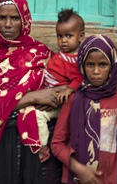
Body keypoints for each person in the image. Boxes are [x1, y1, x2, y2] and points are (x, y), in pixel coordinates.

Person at [0, 0, 65, 184]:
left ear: (24, 19)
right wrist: (33, 98)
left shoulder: (41, 53)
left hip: (39, 145)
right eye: (2, 17)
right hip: (2, 144)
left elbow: (58, 91)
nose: (7, 24)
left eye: (14, 18)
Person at [51, 34, 117, 184]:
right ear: (82, 65)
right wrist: (78, 168)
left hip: (108, 179)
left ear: (113, 65)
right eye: (90, 65)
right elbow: (57, 144)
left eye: (103, 65)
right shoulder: (73, 99)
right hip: (76, 179)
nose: (96, 71)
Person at [37, 8, 85, 162]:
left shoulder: (80, 59)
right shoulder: (59, 57)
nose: (63, 40)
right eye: (60, 36)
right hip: (50, 98)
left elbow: (80, 79)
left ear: (81, 36)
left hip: (64, 103)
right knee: (35, 115)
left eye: (69, 36)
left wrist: (69, 90)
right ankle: (42, 146)